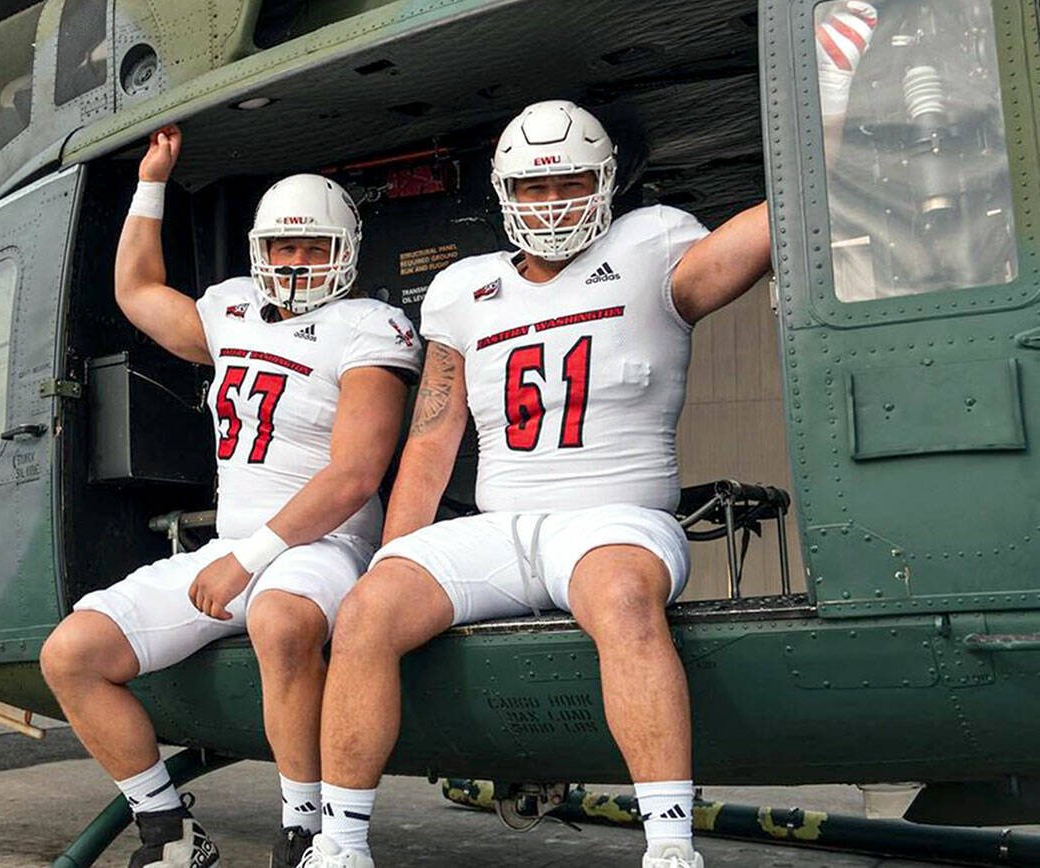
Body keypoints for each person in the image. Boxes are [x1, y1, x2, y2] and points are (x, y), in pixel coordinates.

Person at [299, 101, 771, 868]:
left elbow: (760, 234)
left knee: (622, 599)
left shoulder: (653, 245)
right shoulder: (464, 289)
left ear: (606, 180)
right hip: (501, 528)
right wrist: (392, 558)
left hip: (616, 517)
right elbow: (431, 437)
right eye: (532, 190)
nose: (550, 205)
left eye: (569, 184)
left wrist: (826, 129)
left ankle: (671, 846)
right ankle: (341, 844)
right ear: (504, 194)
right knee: (366, 610)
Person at [40, 125, 422, 868]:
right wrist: (152, 181)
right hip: (236, 549)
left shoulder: (367, 328)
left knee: (282, 621)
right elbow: (137, 289)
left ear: (345, 251)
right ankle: (168, 832)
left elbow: (354, 476)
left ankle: (304, 830)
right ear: (261, 249)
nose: (297, 262)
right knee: (73, 654)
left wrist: (249, 560)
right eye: (285, 247)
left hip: (321, 546)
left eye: (314, 247)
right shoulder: (233, 310)